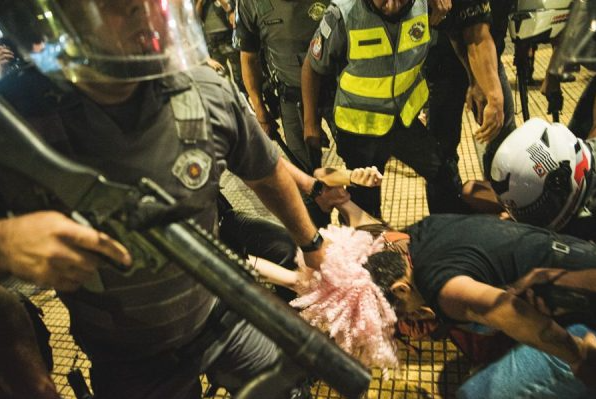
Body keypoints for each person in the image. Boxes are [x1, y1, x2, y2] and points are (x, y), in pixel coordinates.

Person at [0, 1, 339, 398]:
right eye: (120, 6)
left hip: (218, 310)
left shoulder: (205, 91)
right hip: (128, 356)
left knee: (290, 384)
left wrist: (311, 243)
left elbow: (265, 171)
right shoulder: (17, 124)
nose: (147, 13)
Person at [250, 200, 596, 398]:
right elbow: (362, 227)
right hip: (578, 261)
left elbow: (511, 312)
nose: (404, 322)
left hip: (584, 320)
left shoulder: (445, 288)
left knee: (472, 395)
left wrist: (577, 355)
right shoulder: (414, 238)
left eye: (395, 314)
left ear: (400, 290)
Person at [301, 0, 465, 218]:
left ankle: (448, 234)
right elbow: (312, 68)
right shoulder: (342, 14)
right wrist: (311, 124)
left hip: (403, 122)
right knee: (364, 204)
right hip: (360, 128)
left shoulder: (427, 5)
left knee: (443, 175)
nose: (392, 5)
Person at [236, 0, 331, 173]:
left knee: (359, 160)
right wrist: (259, 108)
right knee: (305, 170)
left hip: (337, 92)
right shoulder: (250, 4)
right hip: (292, 97)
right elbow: (248, 57)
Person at [426, 0, 516, 179]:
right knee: (441, 152)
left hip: (488, 51)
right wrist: (485, 88)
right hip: (446, 57)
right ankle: (449, 203)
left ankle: (501, 200)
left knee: (505, 141)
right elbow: (474, 34)